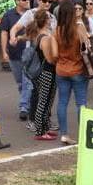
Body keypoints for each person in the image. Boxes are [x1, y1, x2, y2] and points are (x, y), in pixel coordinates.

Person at [50, 0, 89, 145]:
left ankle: (64, 134)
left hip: (61, 69)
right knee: (81, 103)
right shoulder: (78, 29)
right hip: (78, 69)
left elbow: (54, 54)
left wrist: (60, 60)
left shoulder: (56, 32)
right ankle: (83, 134)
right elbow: (87, 47)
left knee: (62, 102)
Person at [0, 0, 33, 120]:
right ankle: (27, 103)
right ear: (17, 1)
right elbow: (4, 33)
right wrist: (4, 51)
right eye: (24, 0)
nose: (27, 2)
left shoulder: (32, 15)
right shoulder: (8, 15)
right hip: (14, 54)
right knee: (20, 82)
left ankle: (24, 107)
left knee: (27, 81)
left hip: (29, 53)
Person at [26, 9, 58, 140]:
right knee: (44, 101)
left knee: (48, 101)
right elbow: (49, 58)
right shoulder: (44, 37)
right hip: (47, 72)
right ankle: (40, 131)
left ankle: (45, 127)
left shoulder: (41, 35)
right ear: (45, 21)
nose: (51, 20)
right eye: (49, 18)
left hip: (47, 72)